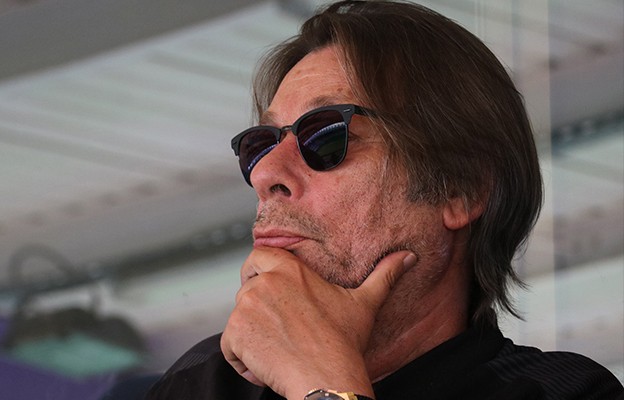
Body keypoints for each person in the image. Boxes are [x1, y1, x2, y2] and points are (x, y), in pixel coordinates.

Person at [107, 1, 624, 399]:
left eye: (324, 137)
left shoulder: (562, 393)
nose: (264, 173)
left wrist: (322, 382)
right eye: (259, 144)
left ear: (459, 188)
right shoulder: (203, 383)